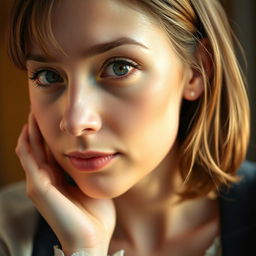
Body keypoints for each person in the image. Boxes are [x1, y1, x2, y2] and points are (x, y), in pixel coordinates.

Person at [0, 0, 255, 255]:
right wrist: (84, 249)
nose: (76, 122)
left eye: (119, 68)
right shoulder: (8, 233)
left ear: (197, 71)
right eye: (48, 76)